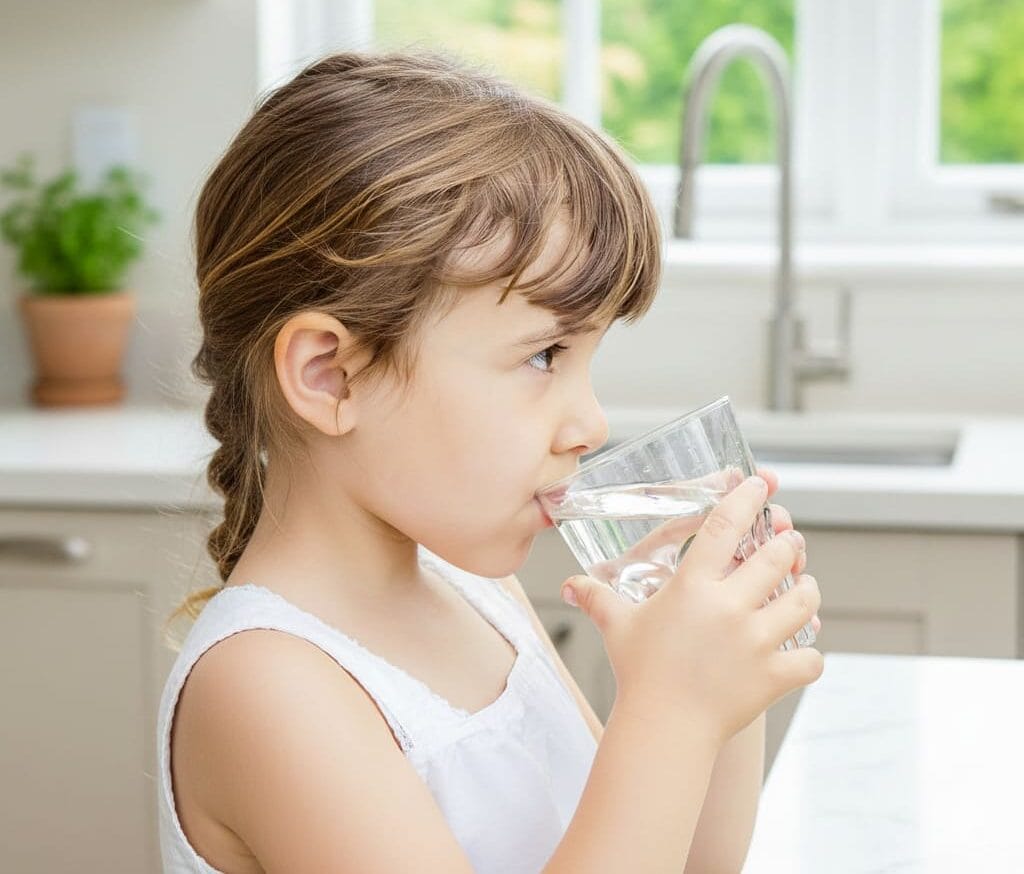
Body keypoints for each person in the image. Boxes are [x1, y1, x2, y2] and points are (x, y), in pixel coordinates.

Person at [156, 48, 823, 874]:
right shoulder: (266, 684)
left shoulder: (478, 594)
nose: (590, 423)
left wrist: (719, 689)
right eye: (545, 356)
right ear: (331, 376)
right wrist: (672, 709)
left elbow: (693, 867)